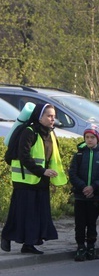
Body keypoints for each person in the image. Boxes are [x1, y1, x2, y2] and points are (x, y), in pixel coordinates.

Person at [1, 103, 68, 254]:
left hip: (41, 181)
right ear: (40, 117)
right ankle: (6, 235)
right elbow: (24, 156)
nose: (53, 119)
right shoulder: (29, 132)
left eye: (53, 116)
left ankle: (29, 244)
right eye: (49, 116)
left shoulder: (49, 133)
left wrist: (49, 174)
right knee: (21, 213)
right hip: (25, 181)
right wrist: (42, 171)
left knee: (37, 214)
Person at [69, 124, 99, 261]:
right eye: (87, 137)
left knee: (92, 222)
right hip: (80, 196)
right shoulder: (79, 154)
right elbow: (72, 173)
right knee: (80, 223)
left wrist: (93, 187)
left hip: (95, 195)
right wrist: (83, 187)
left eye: (92, 137)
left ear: (97, 138)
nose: (89, 140)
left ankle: (91, 246)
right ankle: (80, 246)